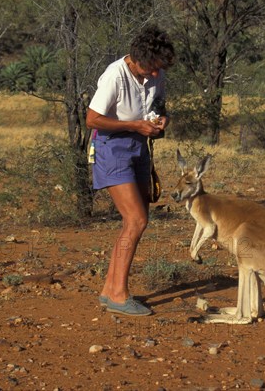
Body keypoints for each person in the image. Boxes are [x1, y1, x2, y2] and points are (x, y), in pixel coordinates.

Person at [86, 26, 175, 316]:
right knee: (136, 220)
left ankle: (110, 290)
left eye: (158, 69)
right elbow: (92, 119)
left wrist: (160, 121)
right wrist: (134, 125)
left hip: (139, 147)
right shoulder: (116, 74)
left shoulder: (155, 75)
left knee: (135, 220)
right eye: (151, 68)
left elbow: (159, 106)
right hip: (112, 147)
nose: (154, 75)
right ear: (137, 58)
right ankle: (120, 296)